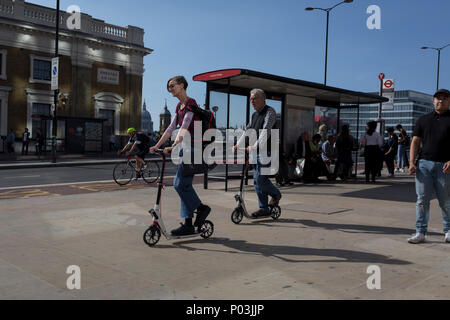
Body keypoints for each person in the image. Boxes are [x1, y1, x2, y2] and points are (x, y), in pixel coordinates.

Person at [150, 75, 211, 236]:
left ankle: (201, 209)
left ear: (182, 85)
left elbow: (185, 126)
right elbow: (170, 128)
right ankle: (188, 224)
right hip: (185, 148)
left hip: (193, 149)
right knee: (185, 185)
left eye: (172, 86)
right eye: (168, 87)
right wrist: (157, 145)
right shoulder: (179, 106)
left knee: (178, 184)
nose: (169, 89)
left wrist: (174, 145)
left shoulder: (191, 103)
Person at [407, 89, 450, 244]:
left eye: (445, 99)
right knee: (422, 200)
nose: (441, 101)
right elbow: (415, 142)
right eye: (438, 99)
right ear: (433, 101)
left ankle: (448, 230)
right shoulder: (423, 120)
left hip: (445, 166)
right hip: (424, 164)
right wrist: (411, 162)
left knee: (445, 200)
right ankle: (420, 232)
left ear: (449, 101)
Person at [232, 88, 281, 217]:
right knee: (256, 180)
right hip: (255, 151)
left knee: (260, 179)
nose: (252, 101)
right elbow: (248, 130)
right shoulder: (254, 115)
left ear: (263, 99)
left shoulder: (270, 112)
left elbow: (266, 130)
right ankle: (264, 208)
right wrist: (238, 144)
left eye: (254, 98)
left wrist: (254, 146)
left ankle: (276, 194)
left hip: (267, 150)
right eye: (250, 99)